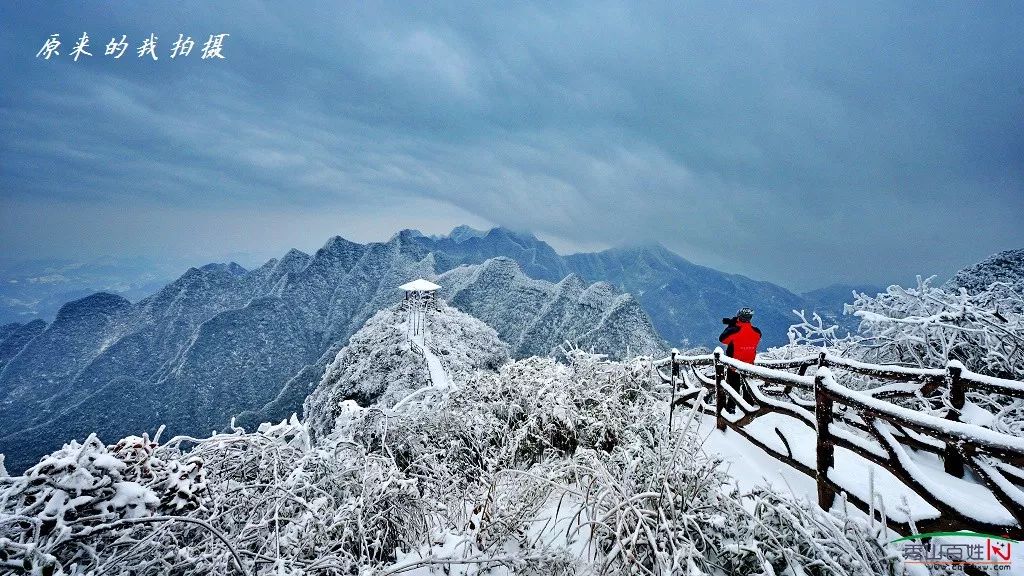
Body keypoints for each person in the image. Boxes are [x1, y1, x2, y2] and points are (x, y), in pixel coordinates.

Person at [719, 307, 761, 407]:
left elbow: (722, 339)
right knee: (747, 387)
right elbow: (755, 338)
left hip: (734, 365)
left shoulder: (734, 330)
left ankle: (731, 408)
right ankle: (749, 406)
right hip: (749, 365)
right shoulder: (757, 332)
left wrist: (731, 325)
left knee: (734, 388)